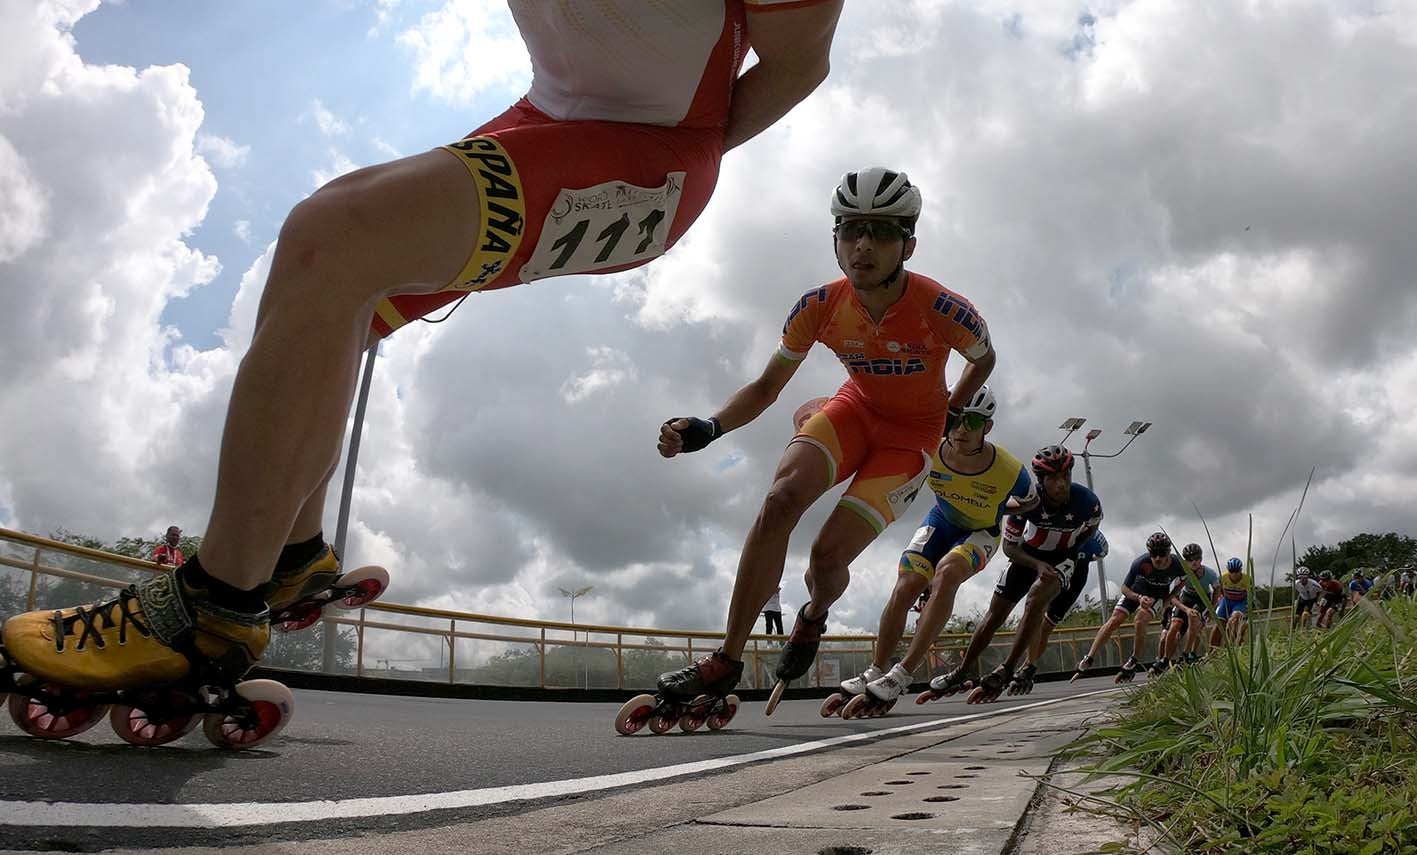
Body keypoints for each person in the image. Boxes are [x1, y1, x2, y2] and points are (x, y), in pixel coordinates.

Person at [1, 2, 846, 715]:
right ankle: (292, 553)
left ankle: (214, 605)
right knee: (326, 278)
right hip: (552, 114)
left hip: (657, 148)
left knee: (337, 238)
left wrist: (676, 164)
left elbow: (798, 65)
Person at [656, 167, 997, 706]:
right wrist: (711, 425)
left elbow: (984, 359)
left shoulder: (942, 308)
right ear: (835, 241)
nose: (864, 245)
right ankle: (726, 661)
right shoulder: (818, 307)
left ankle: (813, 614)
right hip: (854, 410)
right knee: (779, 500)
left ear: (908, 244)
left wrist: (953, 412)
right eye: (850, 230)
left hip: (910, 440)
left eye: (882, 231)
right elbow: (766, 388)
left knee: (825, 559)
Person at [833, 386, 1037, 715]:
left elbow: (1031, 503)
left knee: (948, 572)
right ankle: (875, 669)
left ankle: (902, 674)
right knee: (906, 585)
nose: (962, 429)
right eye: (955, 419)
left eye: (973, 421)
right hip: (940, 523)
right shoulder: (932, 449)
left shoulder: (1010, 470)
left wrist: (1000, 508)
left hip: (981, 531)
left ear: (988, 426)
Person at [918, 445, 1101, 703]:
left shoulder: (1087, 503)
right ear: (1041, 481)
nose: (1061, 485)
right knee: (995, 613)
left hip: (1064, 557)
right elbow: (1009, 548)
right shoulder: (1028, 502)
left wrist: (1070, 554)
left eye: (1066, 477)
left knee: (1037, 597)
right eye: (1054, 479)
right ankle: (962, 670)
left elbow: (1090, 531)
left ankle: (1008, 667)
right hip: (1026, 556)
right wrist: (1036, 564)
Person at [1072, 532, 1184, 683]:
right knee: (1115, 620)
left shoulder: (1178, 564)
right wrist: (1137, 597)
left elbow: (1183, 581)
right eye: (1154, 554)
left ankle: (1133, 661)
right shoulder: (1141, 562)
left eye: (1162, 554)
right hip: (1136, 592)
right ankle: (1089, 658)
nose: (1157, 558)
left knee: (1140, 619)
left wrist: (1169, 598)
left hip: (1157, 596)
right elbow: (1124, 588)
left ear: (1169, 552)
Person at [1158, 543, 1219, 667]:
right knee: (1175, 625)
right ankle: (1165, 659)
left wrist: (1211, 608)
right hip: (1186, 598)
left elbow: (1217, 590)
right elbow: (1172, 597)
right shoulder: (1182, 574)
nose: (1194, 562)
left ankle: (1186, 653)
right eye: (1190, 560)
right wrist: (1185, 609)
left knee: (1195, 615)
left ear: (1201, 559)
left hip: (1202, 598)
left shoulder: (1210, 574)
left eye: (1197, 559)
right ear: (1186, 561)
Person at [1210, 557, 1251, 646]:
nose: (1234, 574)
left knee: (1234, 620)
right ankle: (1212, 651)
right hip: (1226, 601)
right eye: (1231, 571)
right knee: (1218, 625)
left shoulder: (1247, 579)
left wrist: (1248, 607)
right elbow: (1218, 590)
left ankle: (1230, 647)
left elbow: (1250, 594)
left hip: (1240, 602)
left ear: (1240, 570)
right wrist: (1217, 603)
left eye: (1237, 571)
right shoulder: (1222, 578)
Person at [1291, 566, 1323, 630]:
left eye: (1304, 577)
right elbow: (1296, 592)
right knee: (1296, 617)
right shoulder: (1296, 584)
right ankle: (1292, 630)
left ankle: (1303, 630)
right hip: (1302, 598)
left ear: (1307, 577)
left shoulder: (1314, 584)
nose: (1302, 579)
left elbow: (1320, 591)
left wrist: (1317, 600)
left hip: (1311, 600)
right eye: (1300, 577)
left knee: (1305, 614)